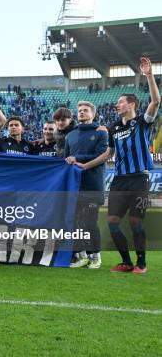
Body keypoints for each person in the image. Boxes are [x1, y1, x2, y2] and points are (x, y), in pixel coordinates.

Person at [78, 57, 160, 274]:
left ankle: (141, 263)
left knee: (134, 222)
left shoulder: (143, 121)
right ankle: (126, 262)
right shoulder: (113, 128)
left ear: (131, 104)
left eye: (120, 102)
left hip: (139, 179)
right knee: (113, 222)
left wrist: (149, 75)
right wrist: (85, 166)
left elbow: (156, 102)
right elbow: (108, 153)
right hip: (119, 180)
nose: (117, 105)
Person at [64, 101, 108, 269]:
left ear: (93, 114)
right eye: (80, 110)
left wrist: (78, 158)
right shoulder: (70, 136)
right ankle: (80, 255)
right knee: (74, 222)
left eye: (86, 110)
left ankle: (95, 256)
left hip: (92, 184)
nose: (82, 112)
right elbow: (67, 159)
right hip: (74, 185)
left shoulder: (101, 133)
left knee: (90, 222)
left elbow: (101, 155)